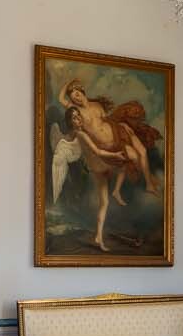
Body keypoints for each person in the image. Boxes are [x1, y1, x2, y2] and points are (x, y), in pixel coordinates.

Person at [50, 78, 163, 251]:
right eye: (73, 97)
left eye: (78, 93)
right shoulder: (77, 116)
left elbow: (108, 122)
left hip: (112, 147)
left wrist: (121, 129)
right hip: (102, 157)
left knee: (133, 158)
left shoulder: (96, 106)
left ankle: (100, 232)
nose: (77, 98)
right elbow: (61, 100)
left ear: (82, 91)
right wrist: (68, 83)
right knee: (127, 161)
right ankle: (103, 226)